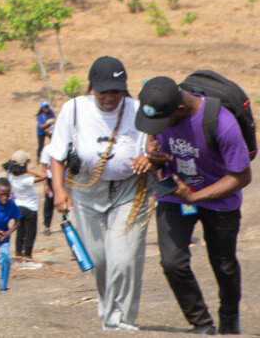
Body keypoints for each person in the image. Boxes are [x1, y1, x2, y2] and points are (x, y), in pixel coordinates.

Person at [134, 76, 252, 335]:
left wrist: (195, 197)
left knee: (223, 264)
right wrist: (153, 155)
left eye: (162, 121)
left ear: (179, 109)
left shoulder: (222, 124)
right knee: (172, 262)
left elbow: (242, 176)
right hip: (174, 195)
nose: (157, 127)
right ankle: (202, 324)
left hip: (219, 200)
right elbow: (152, 135)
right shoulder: (163, 111)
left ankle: (229, 318)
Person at [48, 56, 151, 332]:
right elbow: (56, 154)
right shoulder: (74, 109)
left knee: (124, 257)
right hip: (86, 191)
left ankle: (124, 317)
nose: (110, 97)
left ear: (124, 89)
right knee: (100, 259)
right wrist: (58, 190)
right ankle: (108, 307)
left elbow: (153, 148)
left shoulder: (138, 110)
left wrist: (148, 158)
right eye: (104, 91)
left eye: (116, 90)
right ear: (91, 88)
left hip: (130, 190)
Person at [3, 149, 46, 260]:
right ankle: (27, 255)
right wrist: (28, 170)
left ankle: (18, 254)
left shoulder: (11, 176)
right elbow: (43, 176)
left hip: (18, 206)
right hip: (30, 207)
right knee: (30, 233)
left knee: (20, 232)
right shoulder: (25, 179)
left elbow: (8, 172)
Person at [39, 142, 55, 235]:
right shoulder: (47, 149)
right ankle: (47, 226)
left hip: (61, 178)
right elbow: (44, 167)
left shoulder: (62, 147)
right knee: (49, 202)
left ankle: (66, 222)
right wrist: (45, 184)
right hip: (50, 179)